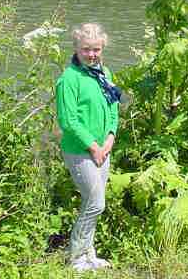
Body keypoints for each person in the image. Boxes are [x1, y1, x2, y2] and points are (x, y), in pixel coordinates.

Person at [55, 23, 121, 271]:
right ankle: (75, 258)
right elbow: (68, 120)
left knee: (91, 203)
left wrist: (110, 137)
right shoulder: (68, 79)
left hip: (104, 148)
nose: (92, 55)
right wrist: (93, 146)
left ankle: (88, 255)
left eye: (96, 49)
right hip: (80, 150)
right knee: (96, 203)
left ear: (102, 49)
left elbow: (114, 106)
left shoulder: (105, 72)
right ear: (76, 49)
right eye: (86, 50)